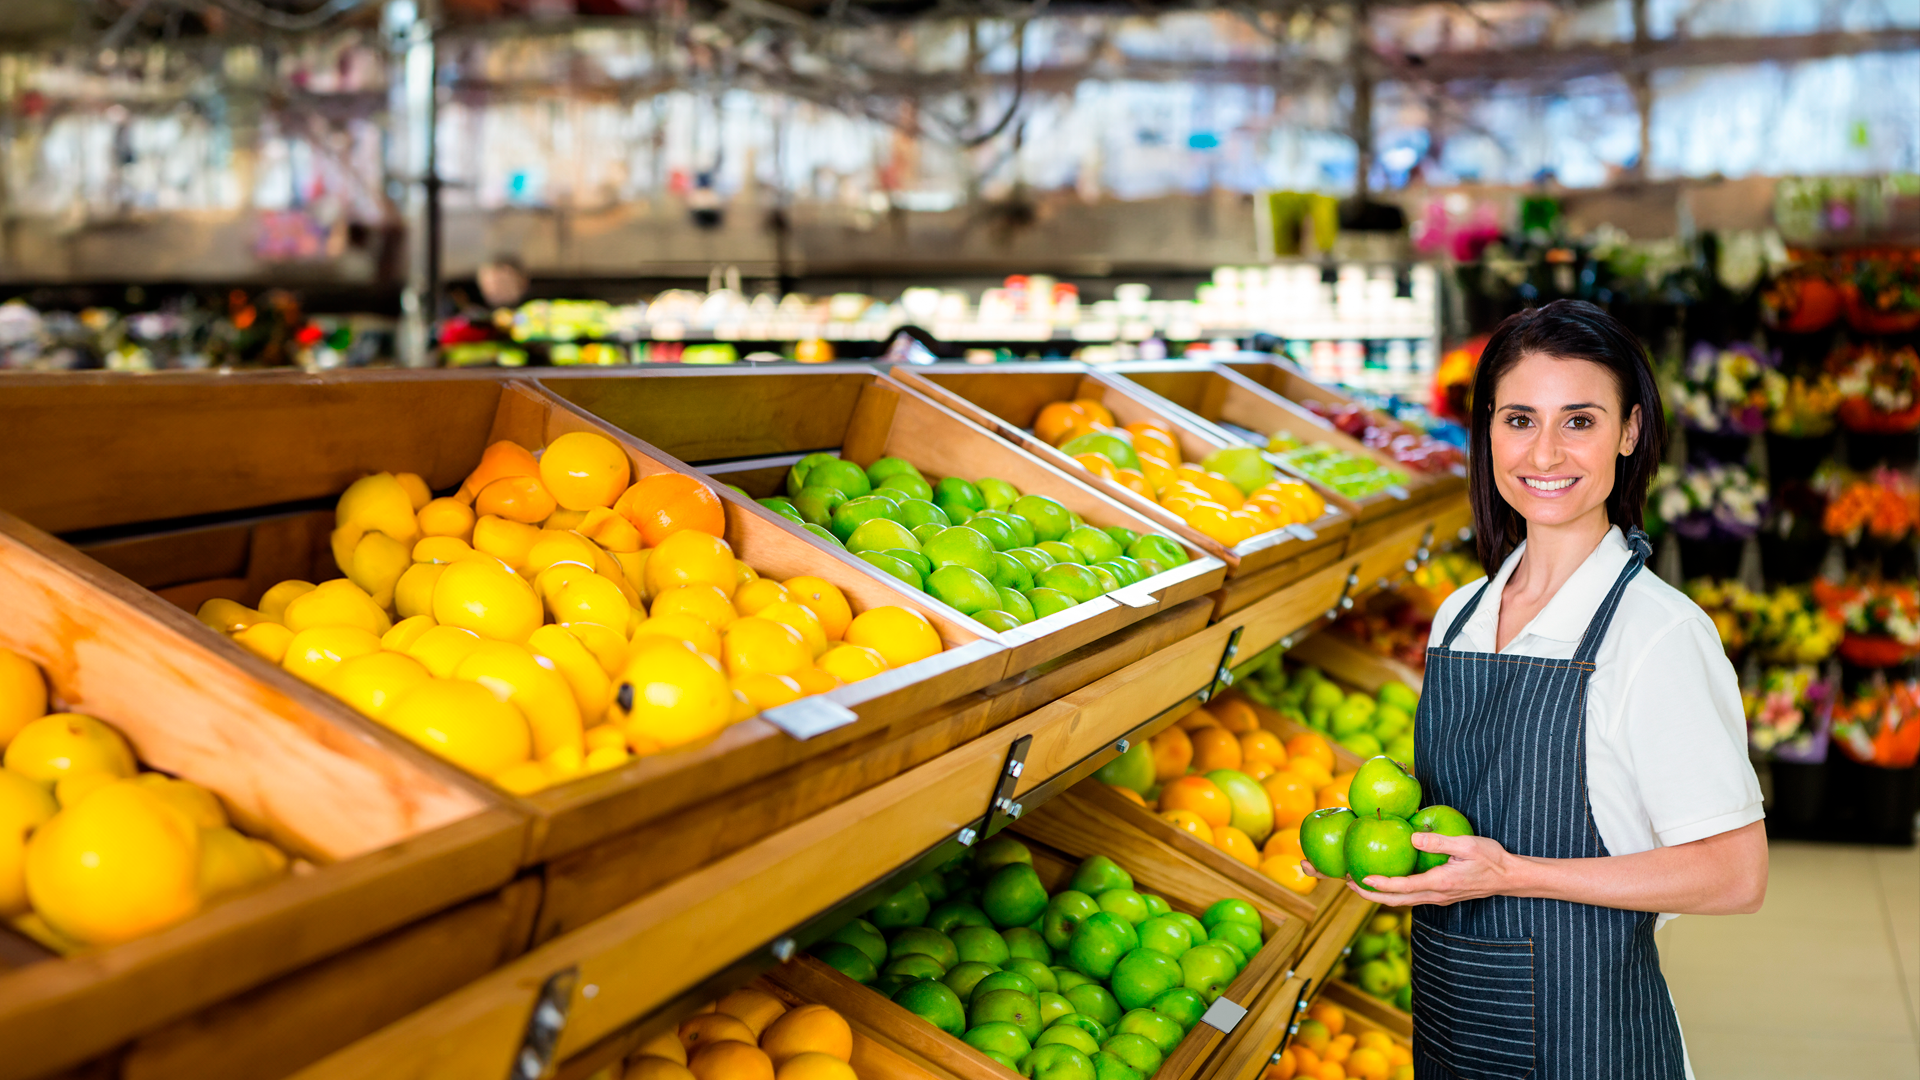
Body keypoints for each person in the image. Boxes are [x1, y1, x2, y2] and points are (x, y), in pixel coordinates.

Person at [1307, 300, 1766, 1079]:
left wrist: (1516, 873)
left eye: (1579, 421)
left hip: (1588, 1041)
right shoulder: (1458, 615)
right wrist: (1387, 839)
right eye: (1519, 419)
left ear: (1629, 433)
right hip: (1455, 1030)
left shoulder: (1656, 634)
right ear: (1486, 431)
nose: (1545, 451)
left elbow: (1735, 873)